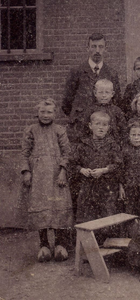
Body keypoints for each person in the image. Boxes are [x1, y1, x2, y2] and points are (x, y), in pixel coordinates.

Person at [20, 99, 73, 262]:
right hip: (38, 177)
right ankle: (43, 245)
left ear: (55, 114)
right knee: (41, 207)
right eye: (42, 111)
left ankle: (60, 245)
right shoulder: (31, 130)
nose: (45, 115)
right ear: (38, 112)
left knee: (59, 207)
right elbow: (24, 153)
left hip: (57, 177)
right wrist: (26, 171)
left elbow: (67, 153)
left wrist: (63, 172)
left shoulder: (59, 130)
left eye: (49, 112)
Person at [72, 111, 122, 243]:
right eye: (97, 124)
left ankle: (105, 247)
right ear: (90, 126)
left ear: (109, 127)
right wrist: (82, 170)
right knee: (87, 216)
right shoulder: (83, 144)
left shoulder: (113, 145)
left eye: (104, 125)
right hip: (88, 186)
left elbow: (118, 164)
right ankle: (89, 249)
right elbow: (73, 164)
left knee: (107, 214)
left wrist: (104, 170)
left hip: (107, 186)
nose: (101, 127)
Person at [62, 33, 121, 143]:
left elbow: (116, 100)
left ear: (105, 49)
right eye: (93, 46)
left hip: (103, 128)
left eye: (100, 47)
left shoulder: (112, 74)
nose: (97, 50)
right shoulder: (77, 72)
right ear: (87, 48)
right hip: (80, 127)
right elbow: (67, 102)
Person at [82, 79, 127, 144]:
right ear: (95, 93)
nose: (104, 95)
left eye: (107, 92)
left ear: (112, 94)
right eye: (100, 92)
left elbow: (123, 129)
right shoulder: (90, 110)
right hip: (94, 143)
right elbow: (84, 129)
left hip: (112, 144)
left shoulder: (116, 110)